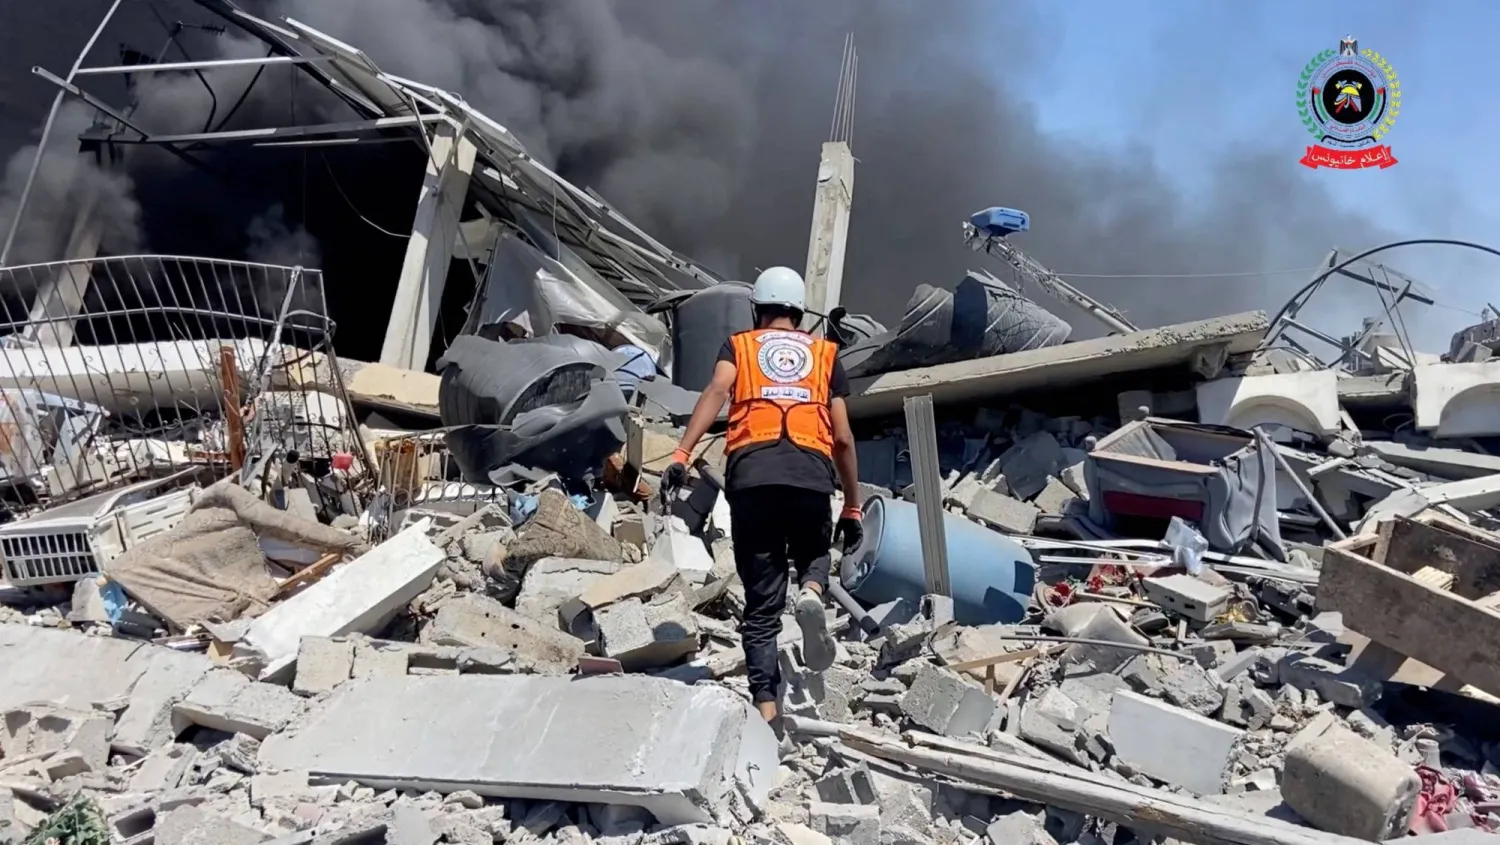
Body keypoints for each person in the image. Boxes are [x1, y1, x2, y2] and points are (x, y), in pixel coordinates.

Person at [664, 266, 863, 725]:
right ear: (798, 311)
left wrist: (682, 452)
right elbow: (845, 439)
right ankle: (811, 591)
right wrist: (851, 505)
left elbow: (716, 390)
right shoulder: (827, 354)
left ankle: (767, 715)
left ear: (758, 309)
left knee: (761, 605)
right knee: (816, 553)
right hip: (810, 472)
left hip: (752, 476)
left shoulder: (739, 345)